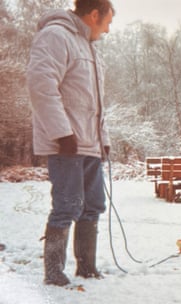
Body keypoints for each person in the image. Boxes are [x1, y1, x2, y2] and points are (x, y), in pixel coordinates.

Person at [27, 0, 115, 286]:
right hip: (66, 143)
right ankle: (53, 272)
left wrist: (105, 139)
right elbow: (41, 85)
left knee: (93, 205)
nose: (108, 29)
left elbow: (94, 103)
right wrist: (61, 133)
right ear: (93, 15)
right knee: (67, 205)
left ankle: (86, 267)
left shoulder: (89, 47)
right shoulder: (56, 35)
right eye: (107, 21)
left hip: (90, 143)